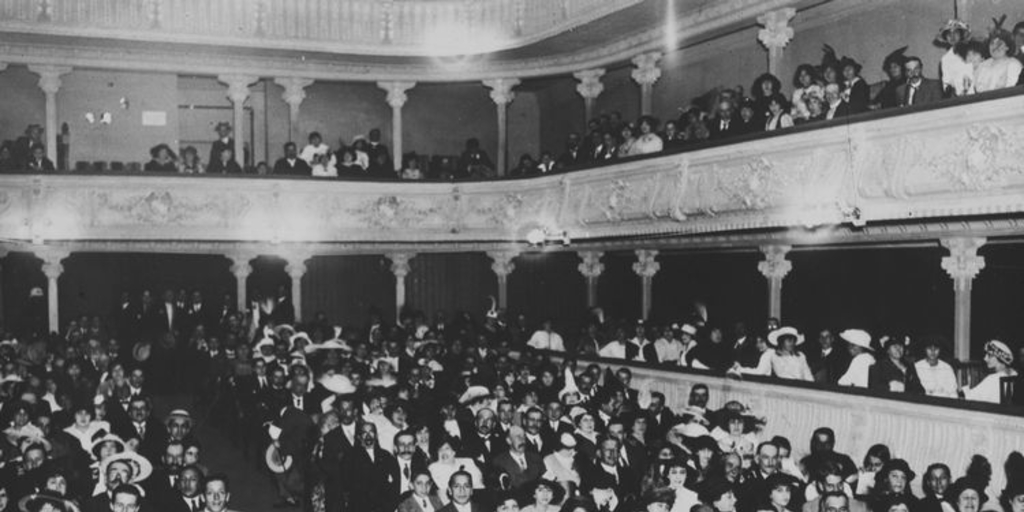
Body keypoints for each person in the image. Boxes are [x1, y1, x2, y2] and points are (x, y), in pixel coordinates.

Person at [937, 19, 974, 96]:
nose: (952, 36)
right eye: (949, 34)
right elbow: (946, 84)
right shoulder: (945, 59)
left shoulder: (972, 51)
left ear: (961, 34)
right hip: (959, 98)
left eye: (955, 33)